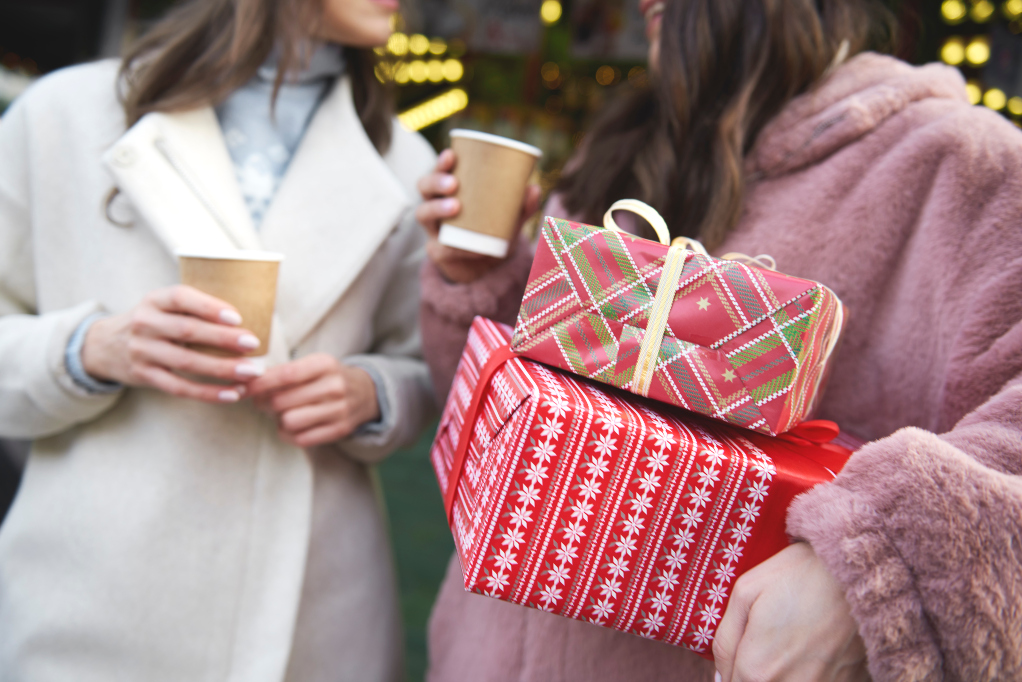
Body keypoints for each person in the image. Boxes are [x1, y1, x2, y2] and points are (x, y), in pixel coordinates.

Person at [415, 0, 1022, 680]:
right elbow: (515, 414)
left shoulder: (964, 163)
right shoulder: (620, 149)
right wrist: (479, 276)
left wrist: (873, 561)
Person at [0, 0, 436, 679]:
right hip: (90, 592)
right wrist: (91, 349)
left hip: (310, 609)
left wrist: (370, 393)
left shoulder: (407, 162)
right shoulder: (63, 114)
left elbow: (424, 369)